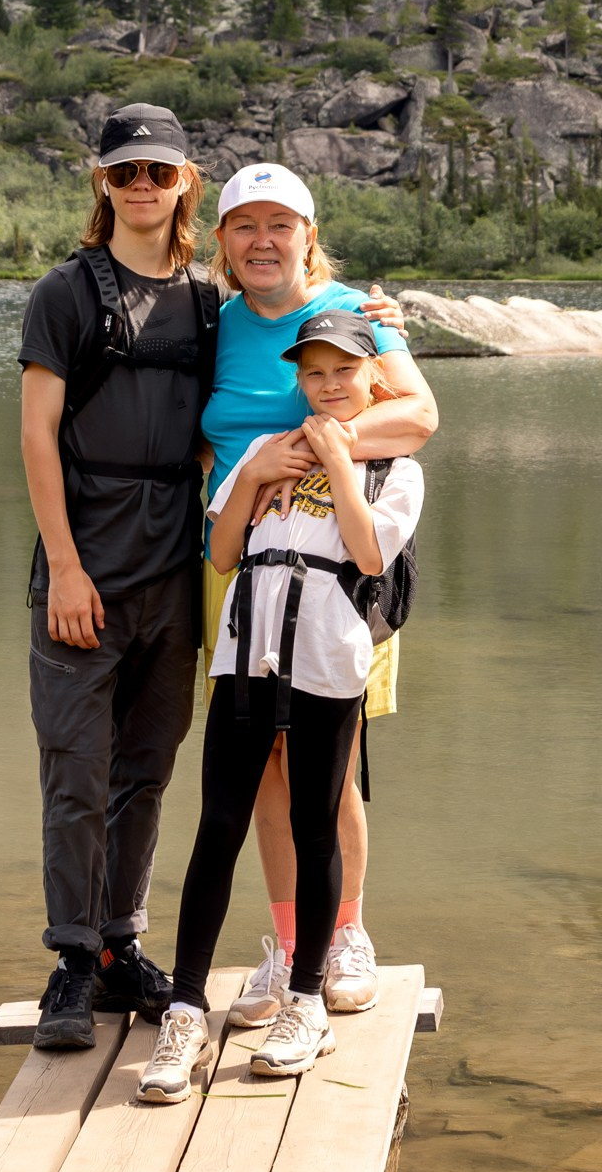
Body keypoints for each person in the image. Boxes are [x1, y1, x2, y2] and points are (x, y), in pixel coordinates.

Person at [138, 310, 424, 1098]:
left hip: (329, 664)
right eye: (314, 372)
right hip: (244, 660)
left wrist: (336, 460)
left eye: (344, 371)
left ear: (374, 379)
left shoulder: (393, 469)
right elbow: (224, 552)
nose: (329, 385)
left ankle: (307, 1003)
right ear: (298, 380)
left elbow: (369, 554)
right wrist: (261, 474)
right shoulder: (263, 454)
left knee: (313, 821)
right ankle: (187, 1009)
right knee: (218, 826)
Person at [200, 163, 437, 1026]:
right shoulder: (213, 323)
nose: (263, 240)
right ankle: (285, 941)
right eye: (244, 225)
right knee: (261, 761)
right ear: (221, 241)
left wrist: (293, 451)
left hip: (340, 567)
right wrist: (246, 475)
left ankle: (344, 936)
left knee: (329, 767)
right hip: (238, 567)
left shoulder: (355, 315)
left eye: (281, 224)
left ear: (309, 232)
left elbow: (415, 418)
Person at [18, 103, 219, 1050]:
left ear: (187, 181)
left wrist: (374, 322)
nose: (143, 186)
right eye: (125, 172)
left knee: (146, 771)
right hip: (84, 575)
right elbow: (35, 437)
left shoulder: (211, 302)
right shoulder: (65, 295)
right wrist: (63, 565)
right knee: (76, 777)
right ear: (102, 182)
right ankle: (68, 962)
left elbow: (304, 349)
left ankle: (118, 948)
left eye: (159, 172)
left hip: (174, 578)